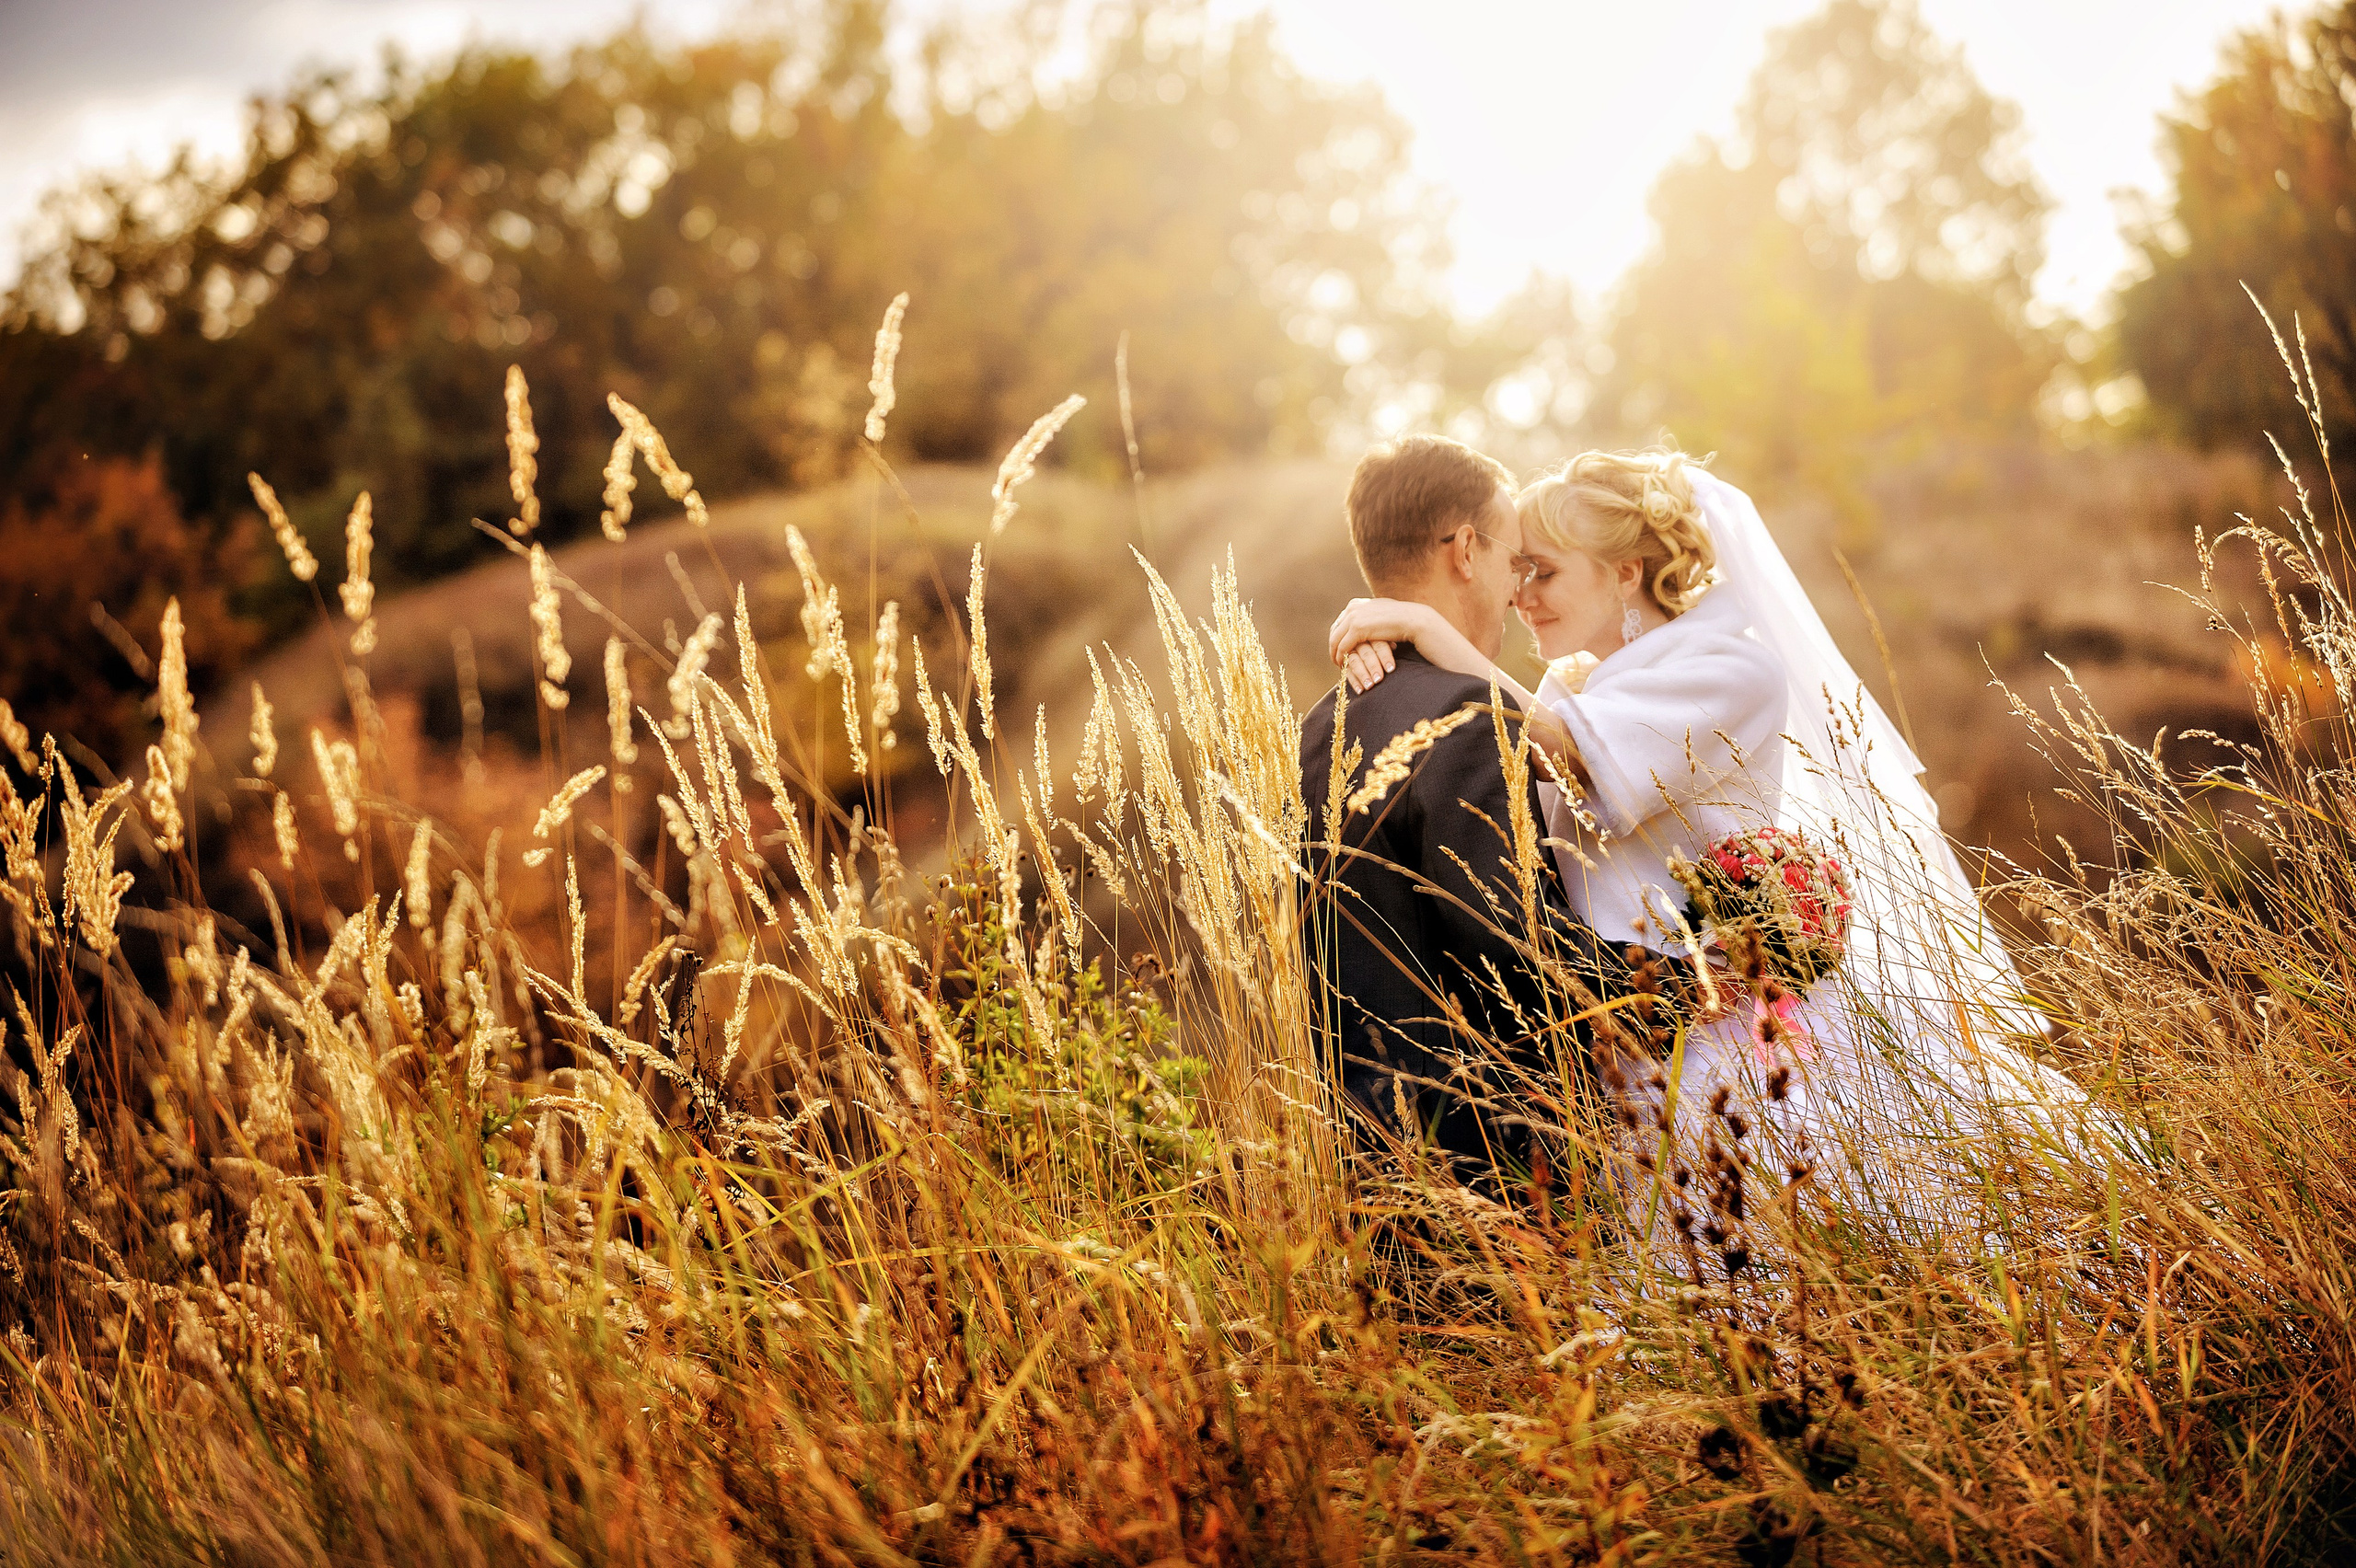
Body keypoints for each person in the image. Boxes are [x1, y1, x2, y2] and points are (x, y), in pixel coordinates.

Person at [1328, 450, 2099, 1218]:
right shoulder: (1572, 685)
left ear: (1624, 571)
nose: (1520, 595)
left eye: (1544, 572)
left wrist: (1424, 628)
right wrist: (1400, 650)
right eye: (1518, 570)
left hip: (1725, 1030)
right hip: (1630, 1027)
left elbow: (1565, 749)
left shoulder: (1728, 669)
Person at [1299, 435, 1627, 1190]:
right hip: (1497, 1167)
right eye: (1515, 561)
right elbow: (1519, 948)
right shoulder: (1472, 718)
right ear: (1468, 550)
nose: (1518, 589)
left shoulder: (1324, 723)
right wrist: (1692, 982)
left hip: (1373, 1168)